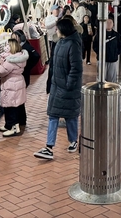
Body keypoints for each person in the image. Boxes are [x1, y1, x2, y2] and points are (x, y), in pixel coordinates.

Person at [34, 17, 83, 160]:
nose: (56, 30)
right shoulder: (60, 42)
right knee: (53, 115)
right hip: (57, 86)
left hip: (68, 88)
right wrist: (51, 83)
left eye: (58, 28)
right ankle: (49, 147)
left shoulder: (73, 44)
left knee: (70, 116)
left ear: (64, 30)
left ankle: (73, 141)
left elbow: (76, 68)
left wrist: (69, 84)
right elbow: (54, 66)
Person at [0, 38, 28, 137]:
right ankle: (8, 125)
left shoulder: (11, 61)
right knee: (13, 105)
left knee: (10, 106)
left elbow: (1, 71)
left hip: (11, 85)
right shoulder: (20, 57)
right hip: (17, 82)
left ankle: (14, 127)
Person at [12, 29, 41, 128]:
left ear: (20, 37)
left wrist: (27, 67)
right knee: (20, 99)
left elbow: (36, 56)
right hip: (22, 76)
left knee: (19, 100)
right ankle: (22, 120)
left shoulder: (25, 47)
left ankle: (20, 120)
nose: (12, 39)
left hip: (23, 77)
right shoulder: (22, 46)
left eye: (15, 37)